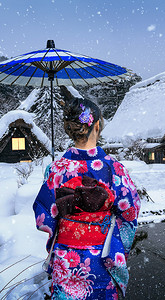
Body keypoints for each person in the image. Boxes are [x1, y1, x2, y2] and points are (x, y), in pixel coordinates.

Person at [33, 91, 141, 299]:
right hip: (101, 257)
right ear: (97, 125)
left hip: (66, 259)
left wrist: (69, 226)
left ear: (71, 129)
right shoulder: (114, 168)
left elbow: (43, 214)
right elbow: (130, 211)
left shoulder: (56, 169)